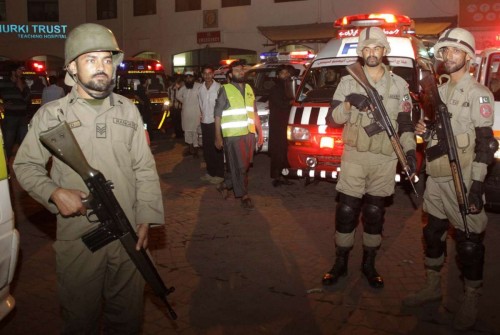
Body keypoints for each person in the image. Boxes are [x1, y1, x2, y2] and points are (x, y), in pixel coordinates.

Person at [12, 23, 164, 334]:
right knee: (79, 320)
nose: (102, 68)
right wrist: (53, 193)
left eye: (107, 60)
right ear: (71, 66)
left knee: (128, 319)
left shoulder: (128, 110)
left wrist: (146, 217)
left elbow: (144, 168)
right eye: (91, 59)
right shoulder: (52, 115)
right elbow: (26, 165)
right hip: (79, 239)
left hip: (129, 234)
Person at [402, 28, 497, 331]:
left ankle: (471, 296)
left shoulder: (478, 93)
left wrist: (478, 186)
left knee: (469, 243)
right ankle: (432, 287)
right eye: (445, 51)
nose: (449, 56)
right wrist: (423, 130)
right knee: (433, 234)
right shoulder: (438, 91)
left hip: (465, 179)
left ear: (468, 56)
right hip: (437, 177)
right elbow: (432, 129)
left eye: (456, 51)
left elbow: (486, 144)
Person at [322, 27, 416, 289]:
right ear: (361, 52)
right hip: (354, 157)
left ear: (384, 51)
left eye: (376, 48)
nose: (371, 53)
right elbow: (332, 119)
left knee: (375, 213)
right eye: (366, 49)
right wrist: (350, 102)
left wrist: (408, 152)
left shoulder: (399, 85)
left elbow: (406, 123)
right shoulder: (348, 82)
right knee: (347, 211)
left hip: (385, 160)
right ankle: (340, 262)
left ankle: (369, 263)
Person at [214, 60, 264, 210]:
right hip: (233, 135)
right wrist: (218, 136)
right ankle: (244, 195)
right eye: (236, 70)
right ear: (230, 74)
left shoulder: (249, 88)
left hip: (249, 134)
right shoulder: (225, 89)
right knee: (241, 167)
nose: (240, 73)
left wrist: (260, 132)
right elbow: (217, 115)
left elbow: (254, 111)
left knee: (244, 165)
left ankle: (225, 185)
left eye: (242, 70)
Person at [198, 64, 224, 184]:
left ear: (213, 74)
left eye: (210, 73)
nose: (207, 76)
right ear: (202, 75)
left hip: (216, 122)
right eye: (205, 73)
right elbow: (201, 105)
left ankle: (219, 174)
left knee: (217, 147)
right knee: (207, 149)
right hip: (205, 122)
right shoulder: (200, 89)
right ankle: (210, 172)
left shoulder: (219, 88)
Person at [268, 64, 294, 187]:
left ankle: (285, 175)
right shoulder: (275, 89)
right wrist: (291, 102)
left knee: (285, 150)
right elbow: (280, 104)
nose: (286, 75)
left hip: (287, 123)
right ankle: (276, 176)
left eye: (287, 73)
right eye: (283, 73)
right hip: (278, 124)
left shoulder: (288, 86)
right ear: (278, 75)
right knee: (277, 151)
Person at [0, 64, 31, 161]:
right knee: (8, 141)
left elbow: (26, 98)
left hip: (23, 116)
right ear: (13, 72)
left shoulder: (23, 83)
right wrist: (1, 105)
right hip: (10, 116)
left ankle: (22, 162)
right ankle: (7, 162)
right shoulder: (4, 83)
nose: (21, 72)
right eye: (19, 70)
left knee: (24, 141)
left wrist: (20, 83)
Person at [177, 71, 202, 157]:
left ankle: (195, 150)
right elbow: (178, 96)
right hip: (186, 114)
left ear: (193, 78)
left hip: (196, 113)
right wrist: (185, 102)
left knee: (196, 132)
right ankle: (190, 149)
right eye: (186, 77)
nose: (188, 79)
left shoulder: (199, 86)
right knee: (187, 131)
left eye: (190, 77)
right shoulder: (183, 88)